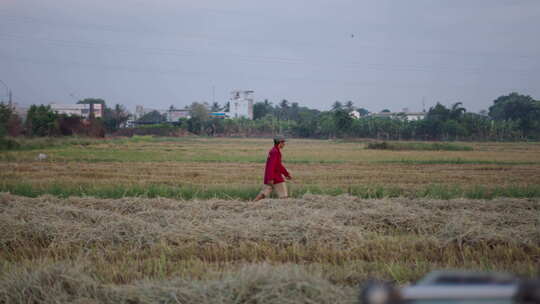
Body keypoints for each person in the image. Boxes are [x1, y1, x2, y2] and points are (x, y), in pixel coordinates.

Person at [254, 136, 292, 201]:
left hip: (271, 177)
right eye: (283, 143)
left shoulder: (274, 151)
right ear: (279, 143)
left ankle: (252, 204)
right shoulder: (275, 152)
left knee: (263, 194)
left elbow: (277, 165)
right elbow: (272, 166)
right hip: (276, 178)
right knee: (284, 197)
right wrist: (270, 178)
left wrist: (286, 174)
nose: (284, 144)